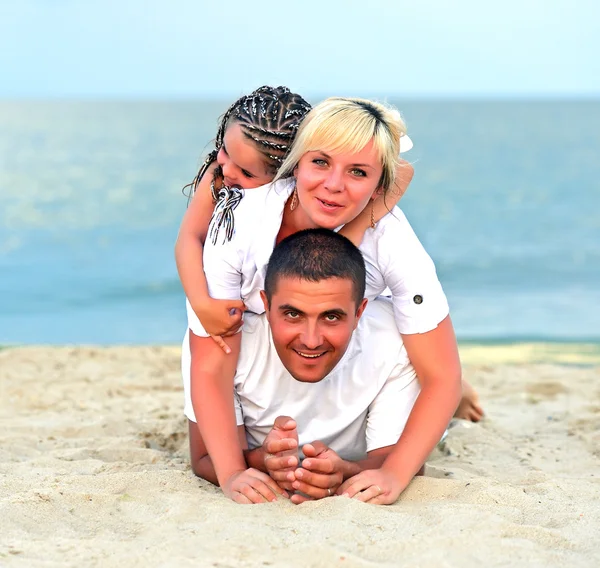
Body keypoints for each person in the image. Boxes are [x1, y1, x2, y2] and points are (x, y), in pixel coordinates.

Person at [184, 96, 467, 503]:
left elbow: (442, 376)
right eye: (320, 162)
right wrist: (231, 474)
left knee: (406, 334)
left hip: (345, 344)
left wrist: (393, 475)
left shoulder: (392, 240)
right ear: (296, 161)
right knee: (214, 326)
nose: (334, 186)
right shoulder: (241, 221)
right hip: (264, 343)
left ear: (378, 186)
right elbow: (211, 367)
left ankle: (455, 394)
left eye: (358, 172)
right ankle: (258, 454)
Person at [182, 229, 423, 504]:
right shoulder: (220, 346)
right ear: (265, 304)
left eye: (331, 317)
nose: (311, 340)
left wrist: (347, 471)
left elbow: (405, 463)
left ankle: (454, 394)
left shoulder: (393, 338)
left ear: (359, 312)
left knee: (440, 401)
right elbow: (202, 458)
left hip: (403, 369)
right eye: (293, 314)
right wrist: (262, 461)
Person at [175, 86, 414, 352]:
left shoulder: (298, 188)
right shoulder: (219, 177)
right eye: (225, 151)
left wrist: (348, 235)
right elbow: (189, 236)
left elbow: (403, 171)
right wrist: (201, 304)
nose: (227, 169)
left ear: (290, 170)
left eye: (246, 172)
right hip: (238, 288)